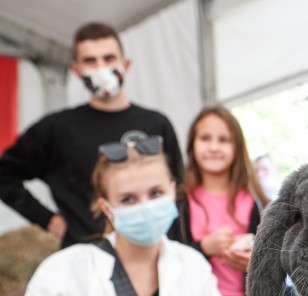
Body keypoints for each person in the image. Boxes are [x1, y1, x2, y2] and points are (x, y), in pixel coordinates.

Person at [1, 136, 239, 296]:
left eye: (156, 193)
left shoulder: (193, 266)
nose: (145, 206)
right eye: (128, 199)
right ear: (106, 207)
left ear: (173, 190)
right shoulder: (62, 271)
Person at [0, 22, 183, 248]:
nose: (101, 68)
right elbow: (4, 174)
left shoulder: (155, 123)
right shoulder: (56, 129)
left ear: (125, 64)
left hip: (152, 253)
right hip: (85, 256)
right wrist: (48, 219)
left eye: (109, 59)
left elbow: (178, 188)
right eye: (90, 61)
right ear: (76, 70)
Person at [170, 105, 304, 296]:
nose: (213, 147)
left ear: (237, 147)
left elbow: (279, 260)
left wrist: (254, 261)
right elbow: (167, 260)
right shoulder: (179, 202)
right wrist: (203, 248)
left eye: (223, 140)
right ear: (191, 145)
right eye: (205, 138)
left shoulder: (254, 201)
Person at [252, 154, 306, 296]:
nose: (260, 175)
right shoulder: (253, 204)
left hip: (289, 284)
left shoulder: (291, 203)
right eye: (256, 171)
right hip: (268, 280)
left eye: (264, 170)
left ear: (274, 171)